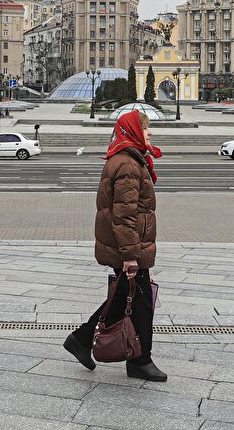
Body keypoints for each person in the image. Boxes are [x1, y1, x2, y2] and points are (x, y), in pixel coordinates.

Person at [64, 110, 166, 382]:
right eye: (146, 129)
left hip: (128, 246)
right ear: (133, 131)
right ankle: (140, 361)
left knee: (122, 298)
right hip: (129, 247)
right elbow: (123, 216)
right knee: (141, 304)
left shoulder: (125, 158)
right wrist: (132, 256)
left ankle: (82, 339)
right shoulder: (129, 165)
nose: (150, 133)